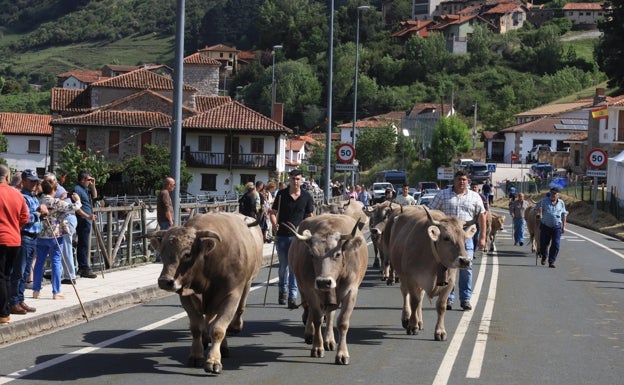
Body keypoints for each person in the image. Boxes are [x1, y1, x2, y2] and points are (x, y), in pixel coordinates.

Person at [429, 170, 487, 311]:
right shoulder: (443, 194)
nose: (462, 182)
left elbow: (482, 216)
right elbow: (430, 212)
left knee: (467, 267)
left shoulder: (475, 197)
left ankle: (465, 299)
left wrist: (483, 237)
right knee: (448, 267)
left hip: (464, 235)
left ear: (468, 181)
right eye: (459, 179)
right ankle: (449, 298)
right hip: (448, 238)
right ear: (454, 180)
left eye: (464, 179)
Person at [269, 169, 314, 309]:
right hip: (282, 234)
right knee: (283, 267)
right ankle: (282, 290)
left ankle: (292, 297)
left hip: (299, 238)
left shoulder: (307, 196)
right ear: (289, 179)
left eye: (298, 178)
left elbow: (309, 216)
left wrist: (308, 229)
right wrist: (274, 223)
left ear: (301, 180)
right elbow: (273, 212)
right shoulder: (282, 195)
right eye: (293, 178)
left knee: (294, 268)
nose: (295, 181)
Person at [32, 179, 82, 300]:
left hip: (41, 234)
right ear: (54, 190)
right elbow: (74, 207)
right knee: (56, 262)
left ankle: (36, 290)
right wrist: (78, 200)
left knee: (39, 262)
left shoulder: (38, 200)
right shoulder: (55, 202)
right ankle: (56, 291)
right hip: (54, 234)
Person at [10, 169, 49, 316]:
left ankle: (20, 299)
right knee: (19, 271)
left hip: (34, 236)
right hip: (25, 236)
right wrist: (39, 213)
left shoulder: (33, 197)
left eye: (36, 181)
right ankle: (13, 301)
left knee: (26, 271)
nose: (34, 184)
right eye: (32, 181)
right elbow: (25, 218)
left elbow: (37, 216)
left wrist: (43, 214)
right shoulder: (22, 197)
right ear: (24, 181)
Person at [0, 165, 29, 324]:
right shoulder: (17, 194)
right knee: (7, 276)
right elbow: (25, 217)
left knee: (1, 277)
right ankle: (6, 310)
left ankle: (3, 312)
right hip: (14, 239)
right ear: (7, 177)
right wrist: (14, 227)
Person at [44, 173, 78, 284]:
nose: (45, 184)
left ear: (54, 181)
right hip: (64, 219)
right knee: (62, 248)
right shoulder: (56, 189)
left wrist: (78, 202)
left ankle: (70, 276)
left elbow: (53, 204)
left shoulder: (57, 190)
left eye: (48, 181)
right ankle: (61, 273)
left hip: (66, 219)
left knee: (65, 248)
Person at [73, 171, 98, 279]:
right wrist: (87, 216)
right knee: (83, 244)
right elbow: (76, 207)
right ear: (82, 180)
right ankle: (83, 267)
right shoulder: (77, 189)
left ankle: (84, 267)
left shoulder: (84, 189)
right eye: (88, 180)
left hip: (87, 219)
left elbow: (95, 196)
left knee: (84, 243)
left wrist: (93, 185)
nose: (89, 181)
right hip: (82, 219)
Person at [536, 187, 568, 268]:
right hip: (545, 226)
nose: (552, 195)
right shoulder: (544, 201)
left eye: (554, 193)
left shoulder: (561, 203)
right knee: (543, 243)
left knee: (556, 244)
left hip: (557, 226)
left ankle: (551, 261)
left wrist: (564, 226)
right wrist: (539, 212)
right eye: (551, 193)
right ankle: (544, 256)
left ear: (558, 195)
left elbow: (564, 214)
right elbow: (538, 208)